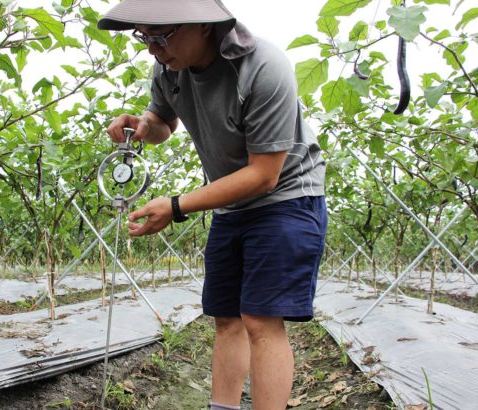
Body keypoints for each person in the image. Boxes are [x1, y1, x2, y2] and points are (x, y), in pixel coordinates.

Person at [98, 1, 327, 409]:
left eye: (162, 36)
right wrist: (143, 125)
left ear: (204, 25)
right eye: (144, 36)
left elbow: (263, 175)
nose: (153, 48)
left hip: (287, 199)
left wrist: (176, 205)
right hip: (230, 205)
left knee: (260, 321)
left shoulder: (263, 66)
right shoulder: (169, 67)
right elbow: (164, 123)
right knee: (226, 318)